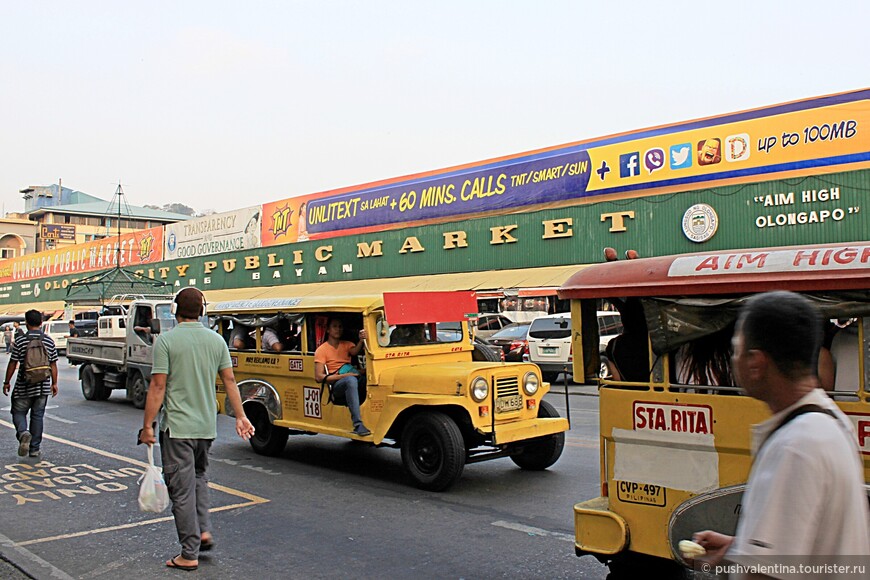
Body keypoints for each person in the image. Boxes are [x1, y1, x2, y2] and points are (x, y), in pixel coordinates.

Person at [692, 292, 870, 577]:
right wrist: (738, 549)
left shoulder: (795, 446)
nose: (733, 357)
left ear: (756, 363)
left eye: (737, 348)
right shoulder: (829, 420)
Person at [138, 287, 255, 572]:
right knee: (200, 478)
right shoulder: (216, 341)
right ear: (201, 311)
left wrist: (147, 426)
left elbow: (158, 386)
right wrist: (241, 416)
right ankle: (202, 529)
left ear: (175, 311)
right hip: (206, 427)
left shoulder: (166, 341)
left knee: (181, 490)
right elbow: (230, 381)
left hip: (178, 428)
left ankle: (189, 553)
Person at [3, 310, 59, 458]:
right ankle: (34, 449)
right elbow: (53, 365)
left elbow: (13, 363)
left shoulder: (20, 341)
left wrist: (7, 382)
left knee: (18, 412)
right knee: (38, 416)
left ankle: (23, 432)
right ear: (41, 323)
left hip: (24, 386)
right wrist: (54, 384)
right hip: (42, 386)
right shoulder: (49, 341)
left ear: (26, 323)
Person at [314, 317, 370, 436]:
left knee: (369, 379)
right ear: (328, 330)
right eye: (334, 326)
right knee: (350, 380)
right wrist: (344, 376)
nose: (338, 329)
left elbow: (354, 351)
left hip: (351, 377)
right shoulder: (321, 350)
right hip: (336, 385)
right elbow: (319, 377)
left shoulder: (347, 344)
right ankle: (358, 424)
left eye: (340, 326)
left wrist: (361, 340)